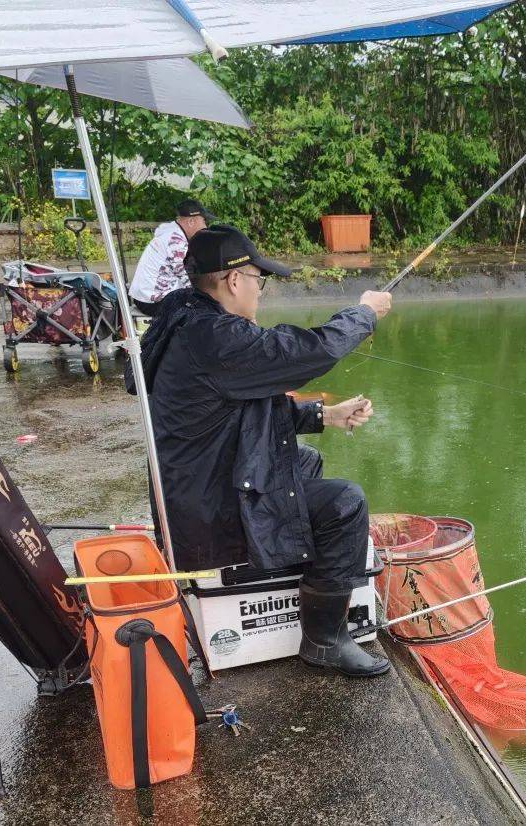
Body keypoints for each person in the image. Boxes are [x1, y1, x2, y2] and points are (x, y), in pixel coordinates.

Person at [126, 224, 394, 677]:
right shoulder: (216, 337)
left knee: (304, 461)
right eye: (259, 280)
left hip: (195, 487)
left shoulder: (185, 317)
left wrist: (324, 415)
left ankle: (291, 569)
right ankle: (325, 641)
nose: (260, 291)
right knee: (345, 503)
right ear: (234, 280)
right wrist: (364, 313)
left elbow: (241, 411)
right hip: (207, 512)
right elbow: (309, 351)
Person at [128, 199, 214, 316]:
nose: (205, 226)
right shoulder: (176, 242)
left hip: (144, 296)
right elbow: (188, 279)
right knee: (205, 308)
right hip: (153, 302)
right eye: (204, 221)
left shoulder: (170, 232)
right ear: (191, 221)